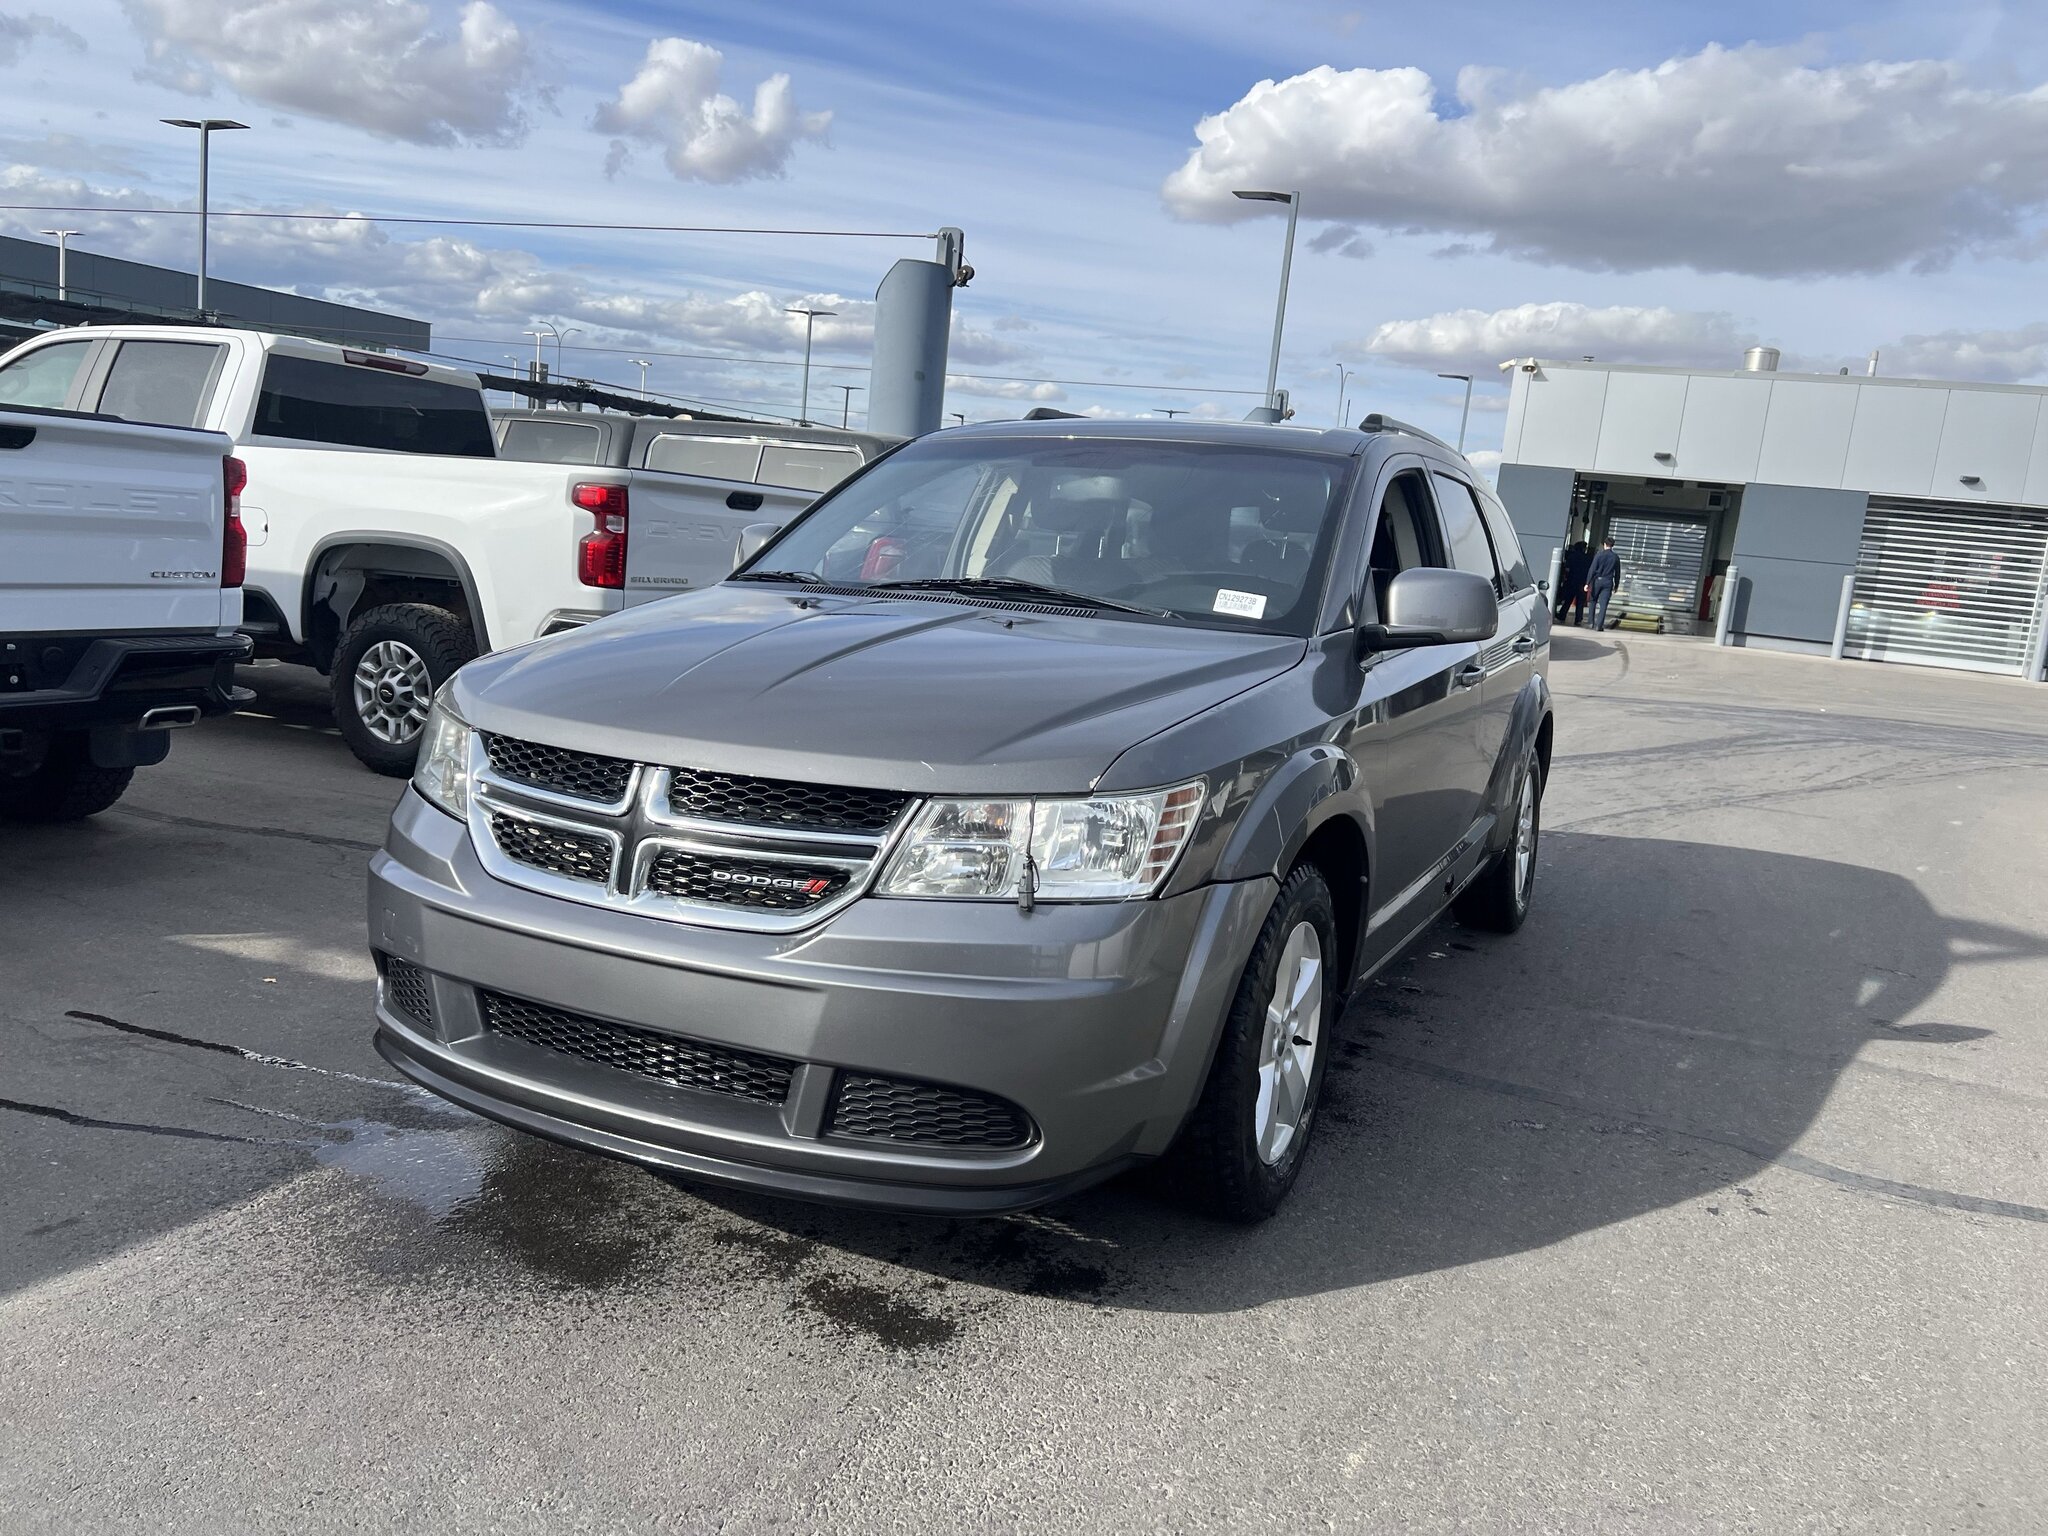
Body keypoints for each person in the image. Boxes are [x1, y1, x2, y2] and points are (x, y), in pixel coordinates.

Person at [1585, 537, 1622, 631]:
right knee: (1604, 604)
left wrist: (1587, 583)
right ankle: (1599, 625)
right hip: (1608, 582)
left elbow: (1592, 569)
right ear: (1612, 546)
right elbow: (1617, 572)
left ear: (1604, 544)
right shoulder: (1615, 557)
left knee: (1593, 601)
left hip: (1597, 580)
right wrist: (1616, 585)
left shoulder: (1599, 555)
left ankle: (1590, 622)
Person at [1555, 539, 1591, 624]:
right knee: (1580, 602)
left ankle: (1562, 615)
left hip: (1572, 580)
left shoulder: (1572, 556)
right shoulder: (1588, 558)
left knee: (1568, 600)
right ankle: (1578, 619)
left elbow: (1567, 569)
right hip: (1582, 582)